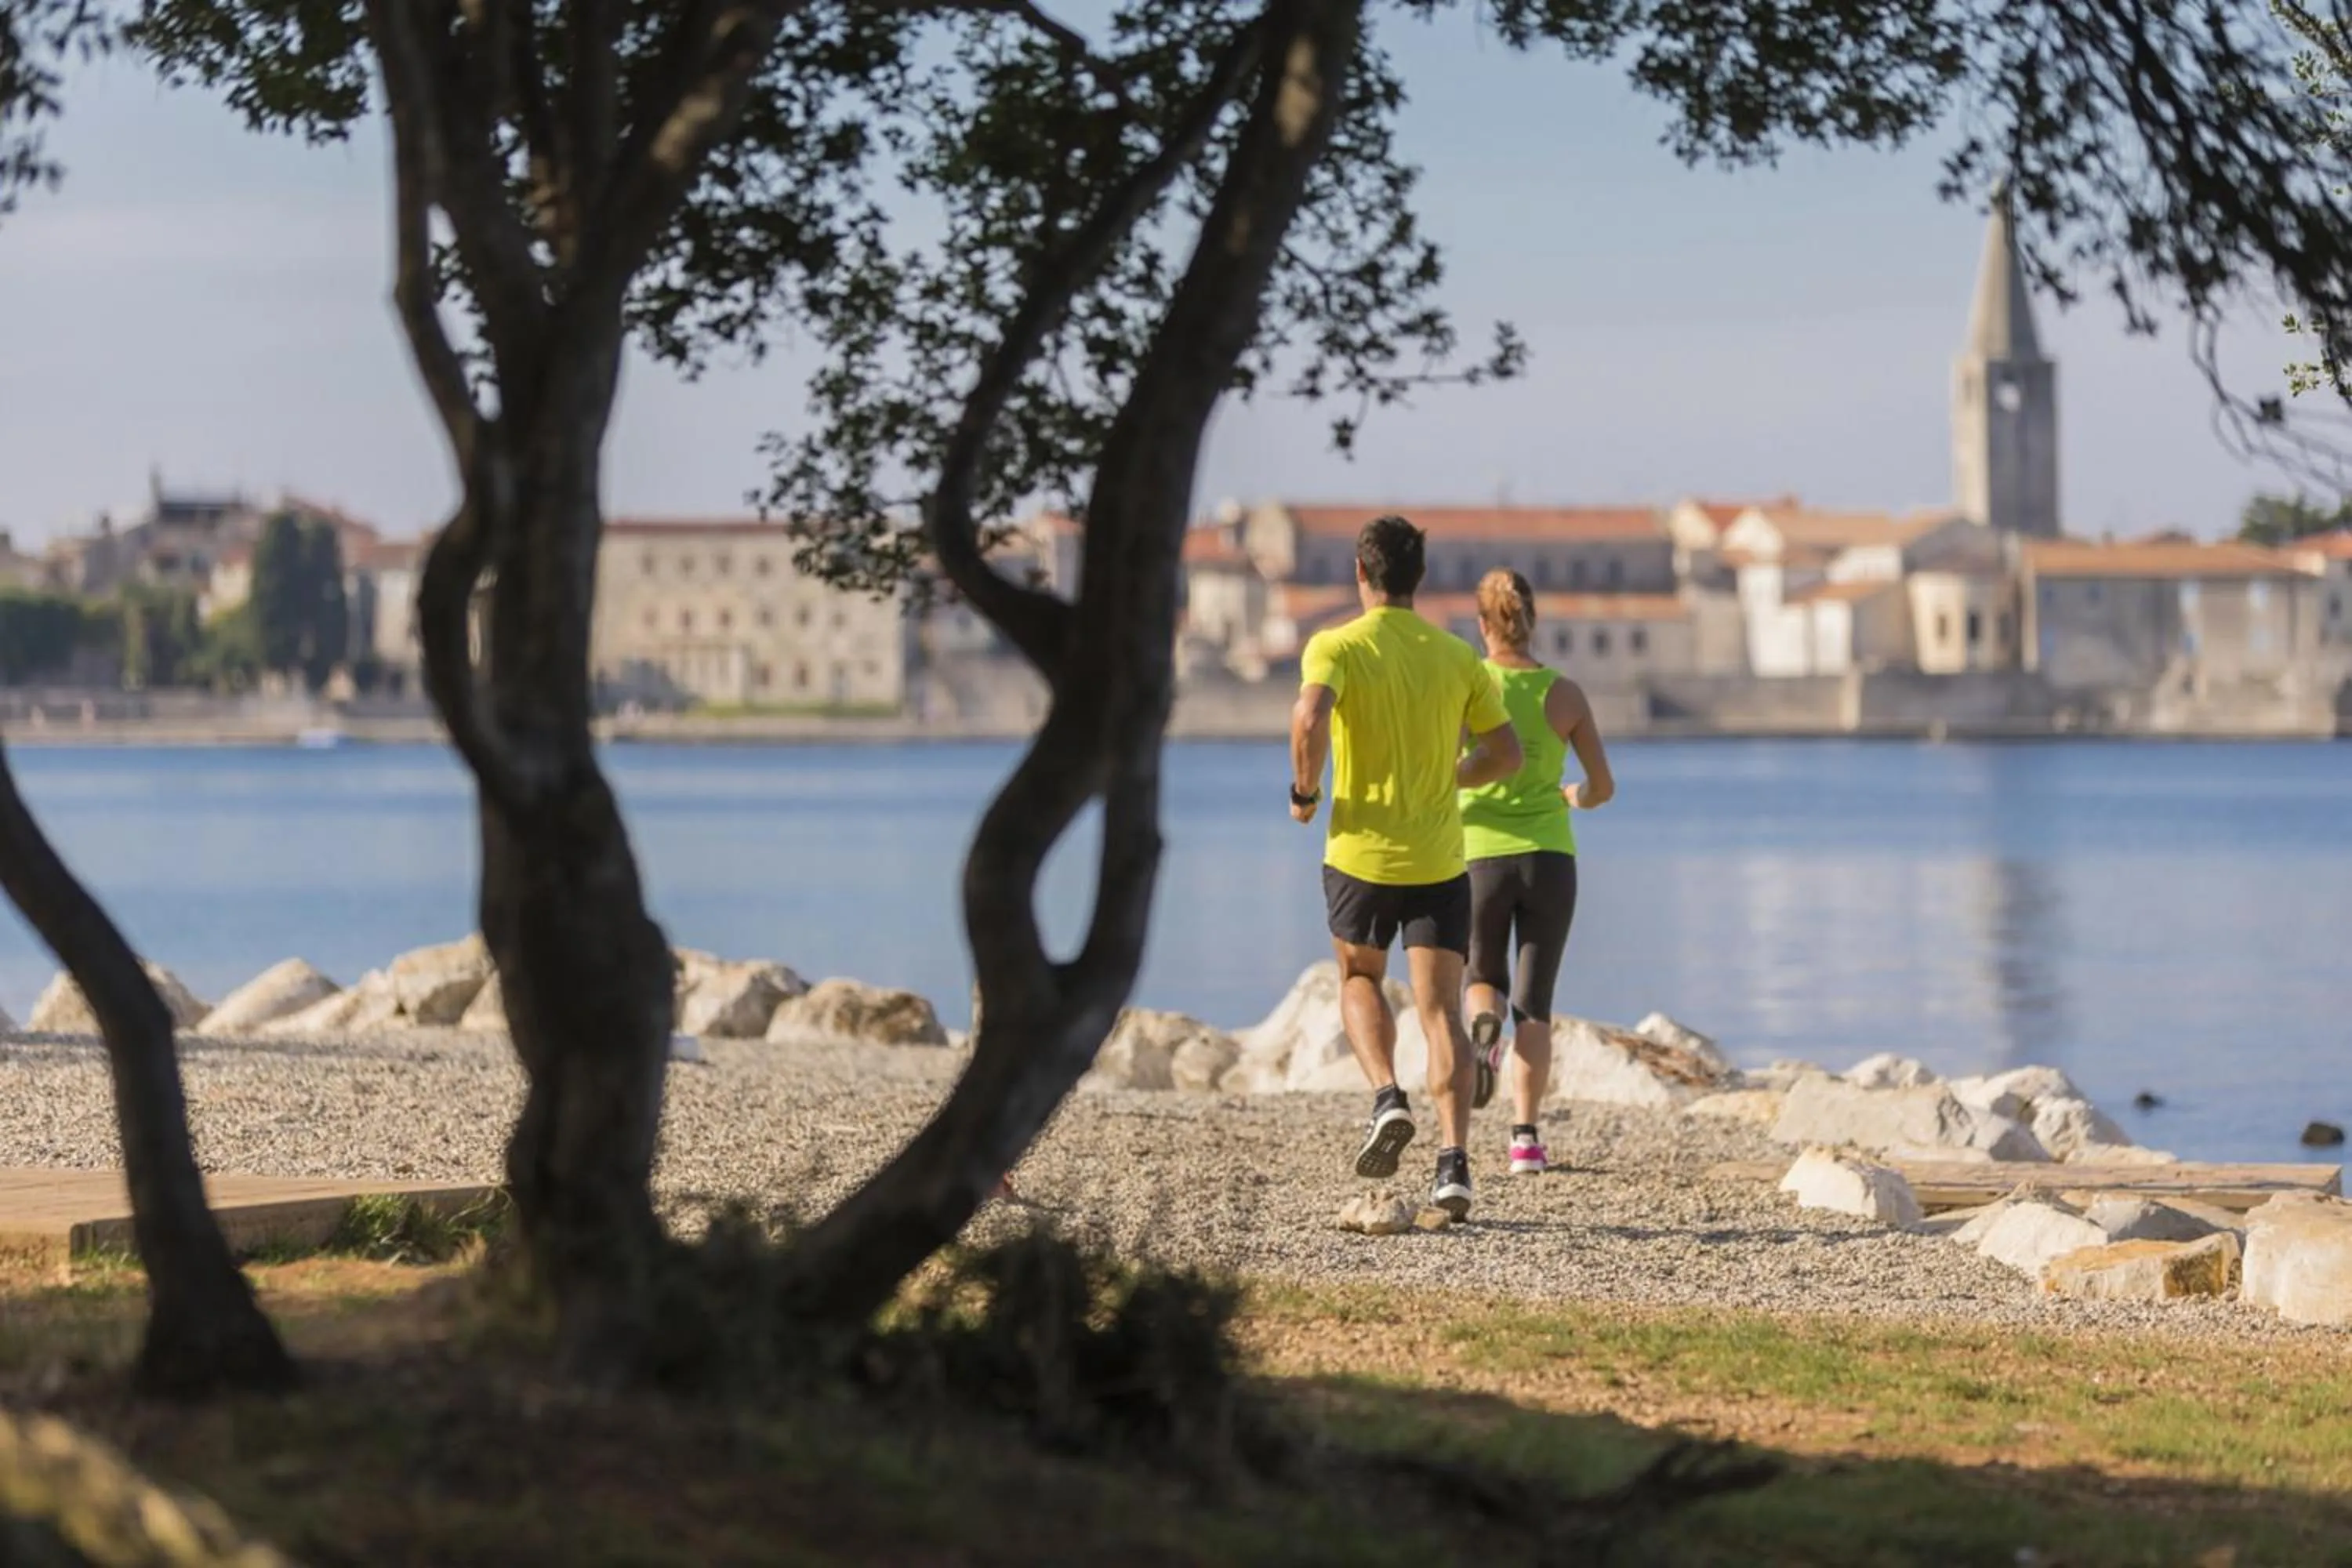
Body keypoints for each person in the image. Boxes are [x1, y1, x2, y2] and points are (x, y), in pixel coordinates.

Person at [1289, 516, 1523, 1219]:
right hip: (1438, 856)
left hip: (1360, 853)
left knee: (1360, 977)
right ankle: (1454, 1166)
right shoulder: (1456, 658)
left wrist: (1305, 791)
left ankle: (1388, 1095)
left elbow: (1307, 720)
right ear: (1418, 580)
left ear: (1361, 574)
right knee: (1440, 1011)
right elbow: (1507, 754)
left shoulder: (1337, 645)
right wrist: (1453, 775)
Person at [1458, 568, 1614, 1177]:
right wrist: (1572, 796)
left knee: (1480, 971)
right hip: (1550, 857)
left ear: (1481, 626)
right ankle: (1525, 1141)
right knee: (1536, 1002)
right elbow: (1603, 786)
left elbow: (1447, 766)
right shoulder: (1566, 693)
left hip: (1478, 854)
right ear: (1533, 621)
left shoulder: (1469, 686)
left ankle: (1481, 1024)